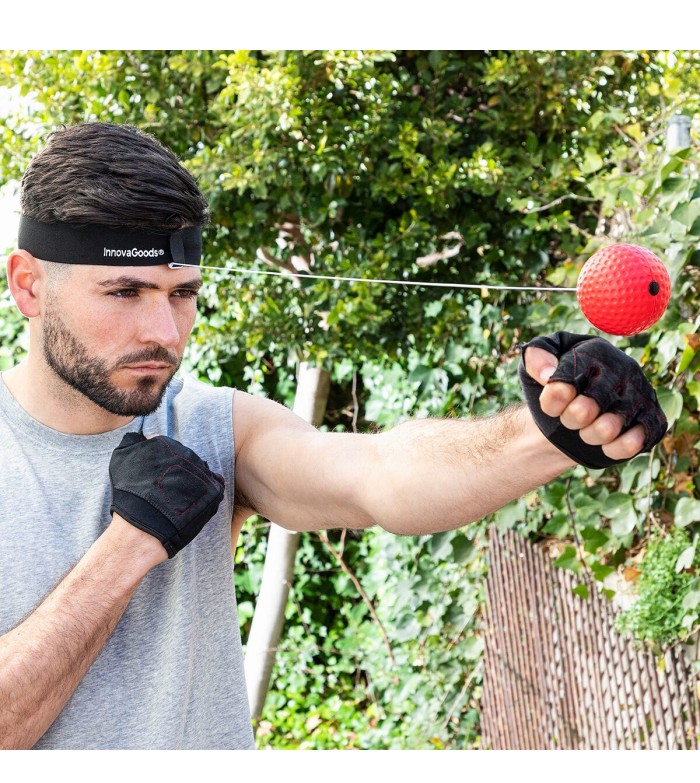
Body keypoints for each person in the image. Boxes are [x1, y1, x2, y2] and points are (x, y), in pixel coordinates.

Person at [0, 122, 666, 750]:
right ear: (29, 286)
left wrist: (544, 432)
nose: (167, 335)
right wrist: (129, 547)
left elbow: (377, 475)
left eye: (182, 294)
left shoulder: (209, 427)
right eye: (124, 293)